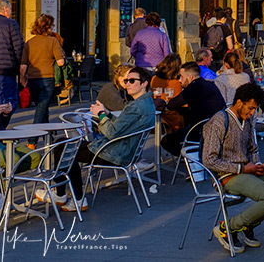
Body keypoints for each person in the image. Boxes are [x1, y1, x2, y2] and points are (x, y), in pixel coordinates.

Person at [203, 82, 264, 252]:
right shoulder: (219, 121)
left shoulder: (246, 120)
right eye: (251, 107)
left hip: (248, 171)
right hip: (227, 176)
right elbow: (209, 160)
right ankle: (228, 227)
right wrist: (242, 169)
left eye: (255, 109)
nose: (253, 112)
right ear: (239, 102)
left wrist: (257, 164)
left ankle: (247, 224)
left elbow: (252, 148)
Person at [54, 66, 156, 212]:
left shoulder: (136, 106)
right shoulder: (146, 103)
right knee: (63, 145)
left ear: (144, 83)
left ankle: (69, 196)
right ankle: (64, 195)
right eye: (126, 80)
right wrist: (107, 114)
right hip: (124, 151)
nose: (127, 84)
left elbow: (112, 133)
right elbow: (123, 125)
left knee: (63, 148)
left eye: (132, 81)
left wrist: (101, 113)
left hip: (114, 153)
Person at [162, 62, 226, 155]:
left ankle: (190, 158)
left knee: (166, 141)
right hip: (219, 127)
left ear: (190, 77)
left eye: (181, 76)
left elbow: (172, 104)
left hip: (202, 131)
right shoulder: (209, 84)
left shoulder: (194, 87)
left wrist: (164, 102)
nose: (179, 80)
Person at [20, 14, 66, 124]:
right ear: (47, 27)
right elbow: (60, 62)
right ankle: (32, 140)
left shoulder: (29, 43)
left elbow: (23, 65)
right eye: (51, 26)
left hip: (32, 79)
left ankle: (48, 134)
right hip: (48, 78)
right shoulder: (53, 41)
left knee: (42, 106)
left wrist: (22, 78)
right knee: (41, 109)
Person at [152, 54, 184, 133]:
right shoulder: (176, 83)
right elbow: (180, 103)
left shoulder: (154, 78)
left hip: (155, 114)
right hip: (171, 117)